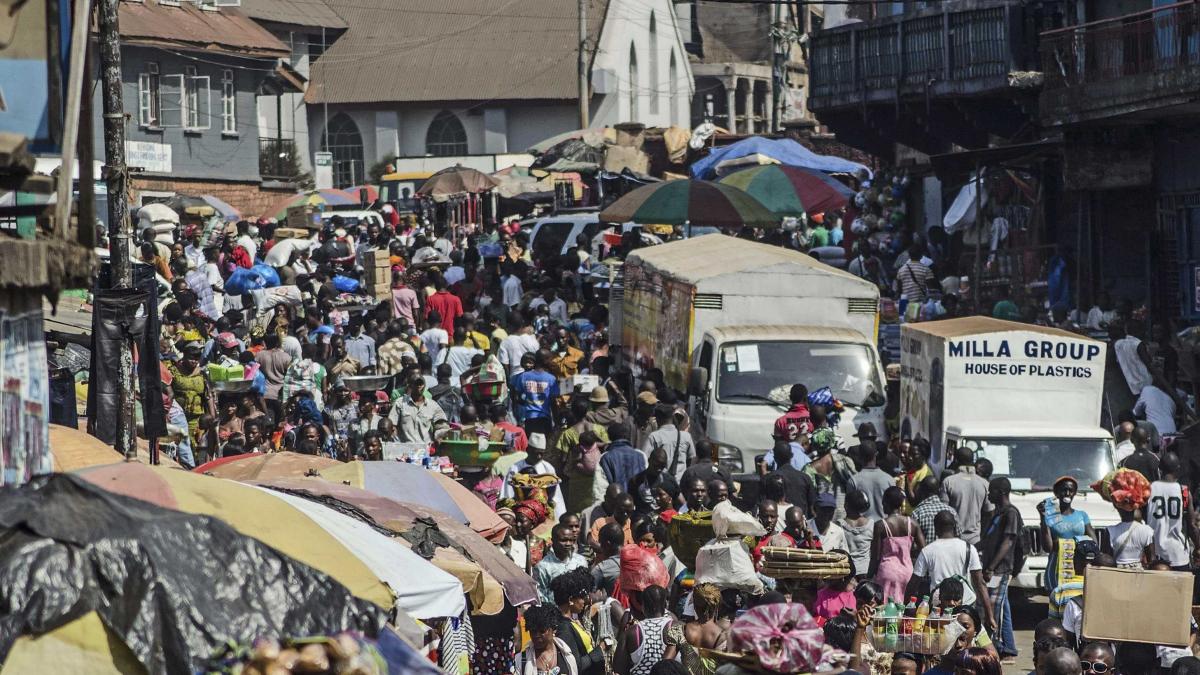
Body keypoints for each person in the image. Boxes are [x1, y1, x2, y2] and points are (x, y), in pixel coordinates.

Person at [910, 511, 996, 632]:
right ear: (955, 527)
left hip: (939, 609)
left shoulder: (927, 551)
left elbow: (913, 583)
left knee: (939, 643)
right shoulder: (969, 548)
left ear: (935, 528)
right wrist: (989, 615)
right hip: (964, 607)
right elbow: (980, 583)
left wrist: (906, 611)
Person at [979, 477, 1023, 662]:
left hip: (1000, 569)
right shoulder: (998, 513)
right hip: (992, 568)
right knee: (1001, 606)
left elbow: (1008, 541)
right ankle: (1008, 647)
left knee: (994, 610)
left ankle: (994, 650)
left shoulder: (1011, 513)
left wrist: (991, 567)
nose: (989, 494)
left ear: (1001, 492)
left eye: (992, 491)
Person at [1039, 475, 1096, 596]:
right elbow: (1048, 547)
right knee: (1058, 604)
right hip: (1056, 569)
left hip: (1079, 569)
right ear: (1057, 493)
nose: (1067, 493)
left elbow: (1093, 542)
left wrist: (1067, 543)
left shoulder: (1082, 515)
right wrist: (1042, 517)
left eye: (1071, 490)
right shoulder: (1050, 517)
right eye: (1064, 490)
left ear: (1075, 493)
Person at [870, 486, 924, 603]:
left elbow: (875, 556)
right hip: (907, 572)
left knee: (885, 610)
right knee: (904, 608)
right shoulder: (912, 524)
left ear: (885, 502)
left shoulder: (880, 525)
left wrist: (868, 578)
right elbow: (924, 550)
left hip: (887, 572)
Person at [1146, 451, 1197, 570]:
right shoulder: (1183, 491)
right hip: (1179, 555)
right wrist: (1198, 547)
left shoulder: (1148, 489)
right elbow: (1192, 525)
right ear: (1178, 468)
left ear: (1159, 468)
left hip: (1155, 555)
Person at [550, 569, 606, 675]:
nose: (584, 601)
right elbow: (575, 665)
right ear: (571, 600)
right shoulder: (564, 628)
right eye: (581, 597)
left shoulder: (572, 621)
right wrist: (600, 650)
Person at [501, 433, 567, 519]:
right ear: (528, 450)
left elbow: (556, 496)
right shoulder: (514, 468)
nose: (539, 456)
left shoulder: (548, 468)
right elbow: (507, 493)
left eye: (542, 454)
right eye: (536, 453)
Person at [613, 585, 676, 675]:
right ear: (665, 605)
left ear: (643, 606)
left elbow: (618, 669)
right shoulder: (676, 626)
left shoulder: (631, 633)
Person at [942, 446, 990, 545]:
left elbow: (944, 512)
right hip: (976, 540)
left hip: (953, 539)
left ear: (956, 460)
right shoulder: (984, 483)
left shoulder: (949, 482)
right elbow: (989, 513)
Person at [514, 604, 579, 675]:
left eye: (542, 631)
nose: (536, 635)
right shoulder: (521, 660)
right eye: (533, 631)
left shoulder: (567, 658)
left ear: (554, 629)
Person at [678, 583, 726, 675]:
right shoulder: (723, 636)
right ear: (716, 606)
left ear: (694, 606)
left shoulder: (682, 630)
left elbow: (667, 662)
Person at [533, 523, 588, 603]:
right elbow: (540, 595)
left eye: (571, 540)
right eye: (564, 540)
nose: (568, 544)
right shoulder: (543, 567)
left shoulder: (581, 561)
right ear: (553, 541)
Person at [640, 405, 695, 484]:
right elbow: (691, 459)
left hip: (661, 484)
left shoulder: (654, 437)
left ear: (658, 419)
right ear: (672, 418)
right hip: (681, 483)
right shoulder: (686, 436)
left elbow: (644, 459)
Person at [390, 374, 449, 444]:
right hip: (406, 449)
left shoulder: (433, 405)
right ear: (410, 385)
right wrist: (396, 443)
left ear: (424, 385)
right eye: (416, 383)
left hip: (426, 449)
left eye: (421, 383)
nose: (419, 386)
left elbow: (442, 425)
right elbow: (392, 426)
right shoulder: (400, 403)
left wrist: (439, 435)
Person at [510, 350, 558, 434]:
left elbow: (517, 398)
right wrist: (557, 422)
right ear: (545, 360)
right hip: (545, 418)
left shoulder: (523, 376)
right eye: (550, 359)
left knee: (532, 444)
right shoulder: (551, 378)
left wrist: (528, 402)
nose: (552, 361)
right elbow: (553, 402)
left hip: (529, 418)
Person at [848, 439, 894, 520]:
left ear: (859, 456)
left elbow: (850, 509)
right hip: (885, 528)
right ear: (876, 454)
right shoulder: (889, 479)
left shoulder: (854, 481)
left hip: (863, 529)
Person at [599, 423, 647, 493]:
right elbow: (646, 483)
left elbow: (603, 486)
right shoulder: (641, 455)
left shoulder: (605, 457)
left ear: (609, 437)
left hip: (617, 501)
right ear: (626, 436)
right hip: (638, 500)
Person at [629, 448, 678, 516]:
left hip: (665, 521)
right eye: (656, 465)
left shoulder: (669, 481)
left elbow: (679, 501)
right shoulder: (636, 481)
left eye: (662, 466)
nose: (659, 469)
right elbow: (631, 504)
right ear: (649, 460)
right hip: (643, 521)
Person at [840, 489, 875, 581]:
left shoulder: (839, 525)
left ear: (846, 505)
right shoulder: (871, 525)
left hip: (847, 570)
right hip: (866, 570)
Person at [911, 475, 956, 544]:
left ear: (921, 491)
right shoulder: (951, 511)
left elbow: (913, 543)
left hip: (926, 554)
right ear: (938, 491)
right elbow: (958, 536)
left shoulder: (917, 513)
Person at [897, 438, 934, 515]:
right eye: (910, 454)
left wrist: (906, 481)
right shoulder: (914, 470)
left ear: (924, 455)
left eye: (914, 455)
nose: (910, 457)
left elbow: (913, 501)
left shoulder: (925, 474)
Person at [591, 522, 625, 596]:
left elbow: (590, 595)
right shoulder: (638, 560)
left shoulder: (601, 569)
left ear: (607, 544)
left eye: (601, 543)